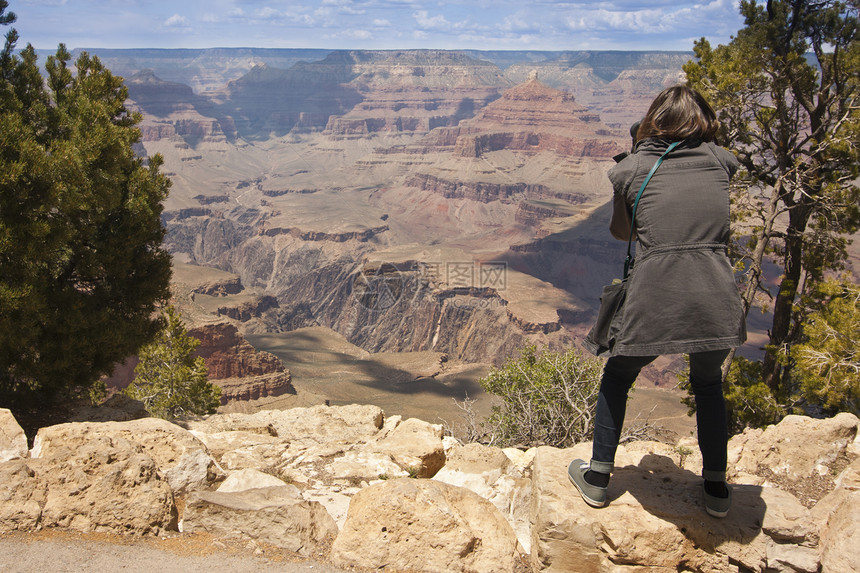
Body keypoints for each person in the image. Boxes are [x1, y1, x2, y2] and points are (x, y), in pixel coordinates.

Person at [571, 85, 746, 518]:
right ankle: (717, 489)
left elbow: (621, 232)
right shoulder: (721, 161)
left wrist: (630, 166)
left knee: (618, 376)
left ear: (653, 120)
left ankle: (596, 478)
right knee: (708, 386)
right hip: (715, 293)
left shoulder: (632, 169)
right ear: (703, 122)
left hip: (656, 293)